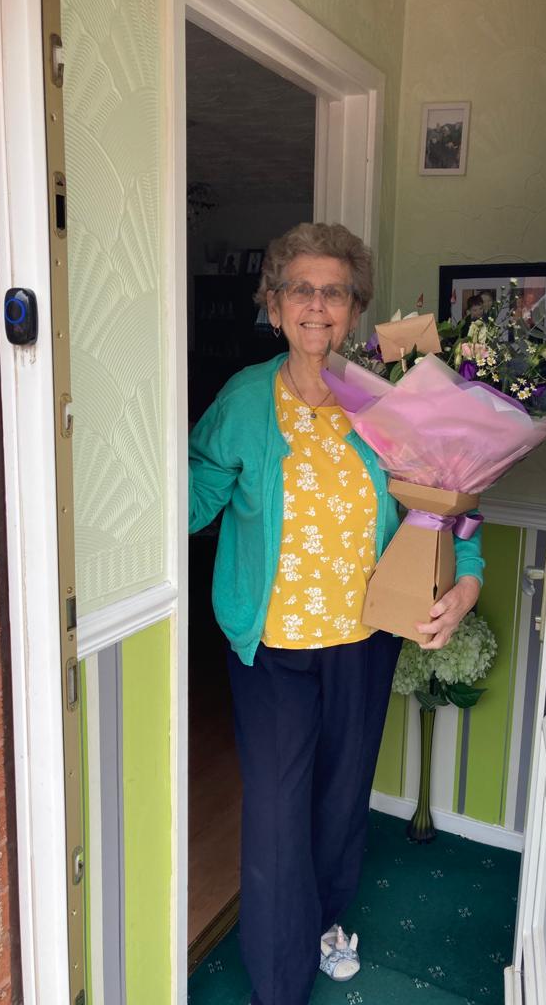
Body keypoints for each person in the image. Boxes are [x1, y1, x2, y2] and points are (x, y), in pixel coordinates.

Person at [188, 222, 485, 1005]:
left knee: (340, 797)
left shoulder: (387, 404)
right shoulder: (245, 400)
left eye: (335, 291)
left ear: (356, 311)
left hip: (364, 641)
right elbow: (192, 497)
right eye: (299, 288)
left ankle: (322, 922)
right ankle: (279, 984)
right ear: (274, 303)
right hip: (273, 646)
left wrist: (470, 583)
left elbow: (449, 503)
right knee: (279, 814)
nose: (316, 305)